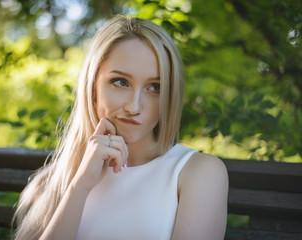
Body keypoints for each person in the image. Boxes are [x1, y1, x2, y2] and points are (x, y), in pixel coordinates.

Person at [13, 15, 229, 240]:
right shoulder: (53, 181)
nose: (134, 107)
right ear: (93, 87)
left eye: (154, 87)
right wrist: (80, 185)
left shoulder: (199, 173)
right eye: (121, 82)